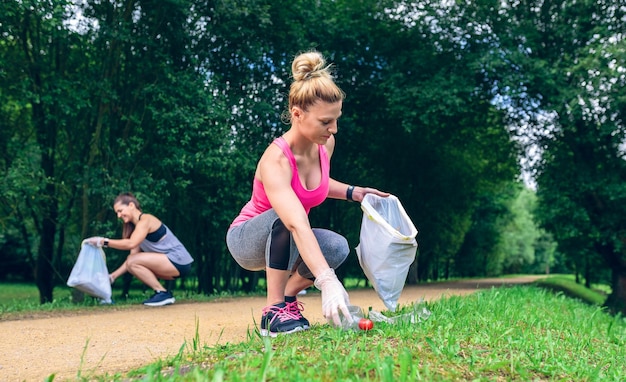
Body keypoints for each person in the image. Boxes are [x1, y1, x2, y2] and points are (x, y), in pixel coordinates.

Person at [226, 50, 389, 337]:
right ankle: (273, 311)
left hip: (287, 238)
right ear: (297, 114)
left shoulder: (325, 145)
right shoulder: (275, 160)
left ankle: (289, 299)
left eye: (336, 119)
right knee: (286, 217)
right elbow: (294, 222)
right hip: (247, 240)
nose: (333, 128)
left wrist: (355, 193)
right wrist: (327, 281)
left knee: (336, 246)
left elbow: (317, 185)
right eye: (326, 121)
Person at [86, 192, 194, 306]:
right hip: (171, 265)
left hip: (179, 261)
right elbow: (131, 261)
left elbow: (131, 244)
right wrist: (113, 277)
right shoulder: (136, 230)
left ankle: (162, 293)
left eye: (120, 211)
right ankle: (162, 293)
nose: (118, 216)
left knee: (133, 260)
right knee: (132, 260)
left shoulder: (146, 220)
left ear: (131, 205)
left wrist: (103, 242)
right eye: (116, 213)